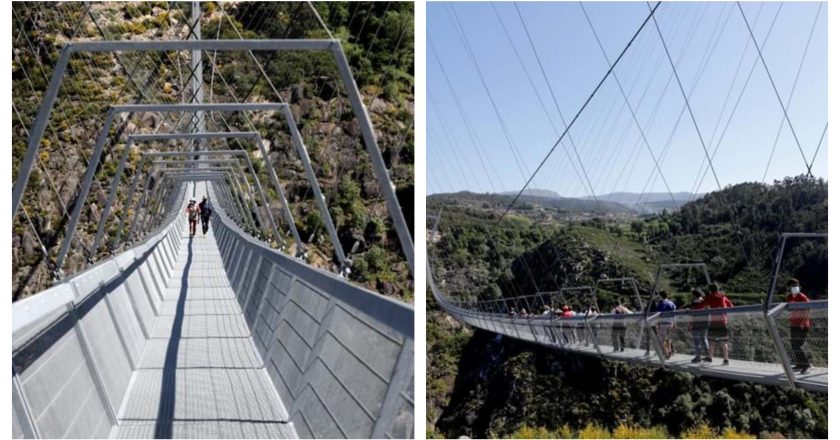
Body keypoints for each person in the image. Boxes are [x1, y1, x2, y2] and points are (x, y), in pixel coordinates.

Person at [698, 283, 733, 365]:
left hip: (714, 322)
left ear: (710, 290)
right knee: (724, 342)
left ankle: (710, 358)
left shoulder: (709, 297)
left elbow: (700, 306)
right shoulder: (723, 297)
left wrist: (690, 309)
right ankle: (726, 360)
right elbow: (731, 306)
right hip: (723, 321)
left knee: (711, 341)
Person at [786, 278, 811, 374]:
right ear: (789, 287)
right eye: (793, 285)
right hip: (793, 324)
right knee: (794, 345)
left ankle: (806, 365)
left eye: (797, 285)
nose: (795, 287)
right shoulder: (789, 297)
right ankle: (800, 364)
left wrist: (802, 323)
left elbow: (808, 310)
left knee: (797, 345)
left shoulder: (802, 297)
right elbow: (789, 309)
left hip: (802, 325)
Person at [688, 288, 711, 363]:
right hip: (705, 323)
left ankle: (698, 357)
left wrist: (690, 324)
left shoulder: (694, 302)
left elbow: (692, 313)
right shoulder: (705, 301)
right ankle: (708, 356)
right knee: (704, 339)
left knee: (696, 341)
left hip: (696, 323)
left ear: (694, 295)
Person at [655, 291, 677, 358]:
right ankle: (670, 351)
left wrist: (656, 323)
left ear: (661, 296)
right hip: (670, 322)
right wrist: (675, 323)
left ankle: (666, 353)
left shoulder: (661, 303)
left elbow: (658, 314)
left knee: (662, 339)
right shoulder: (671, 303)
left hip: (663, 323)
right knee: (668, 338)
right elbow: (674, 314)